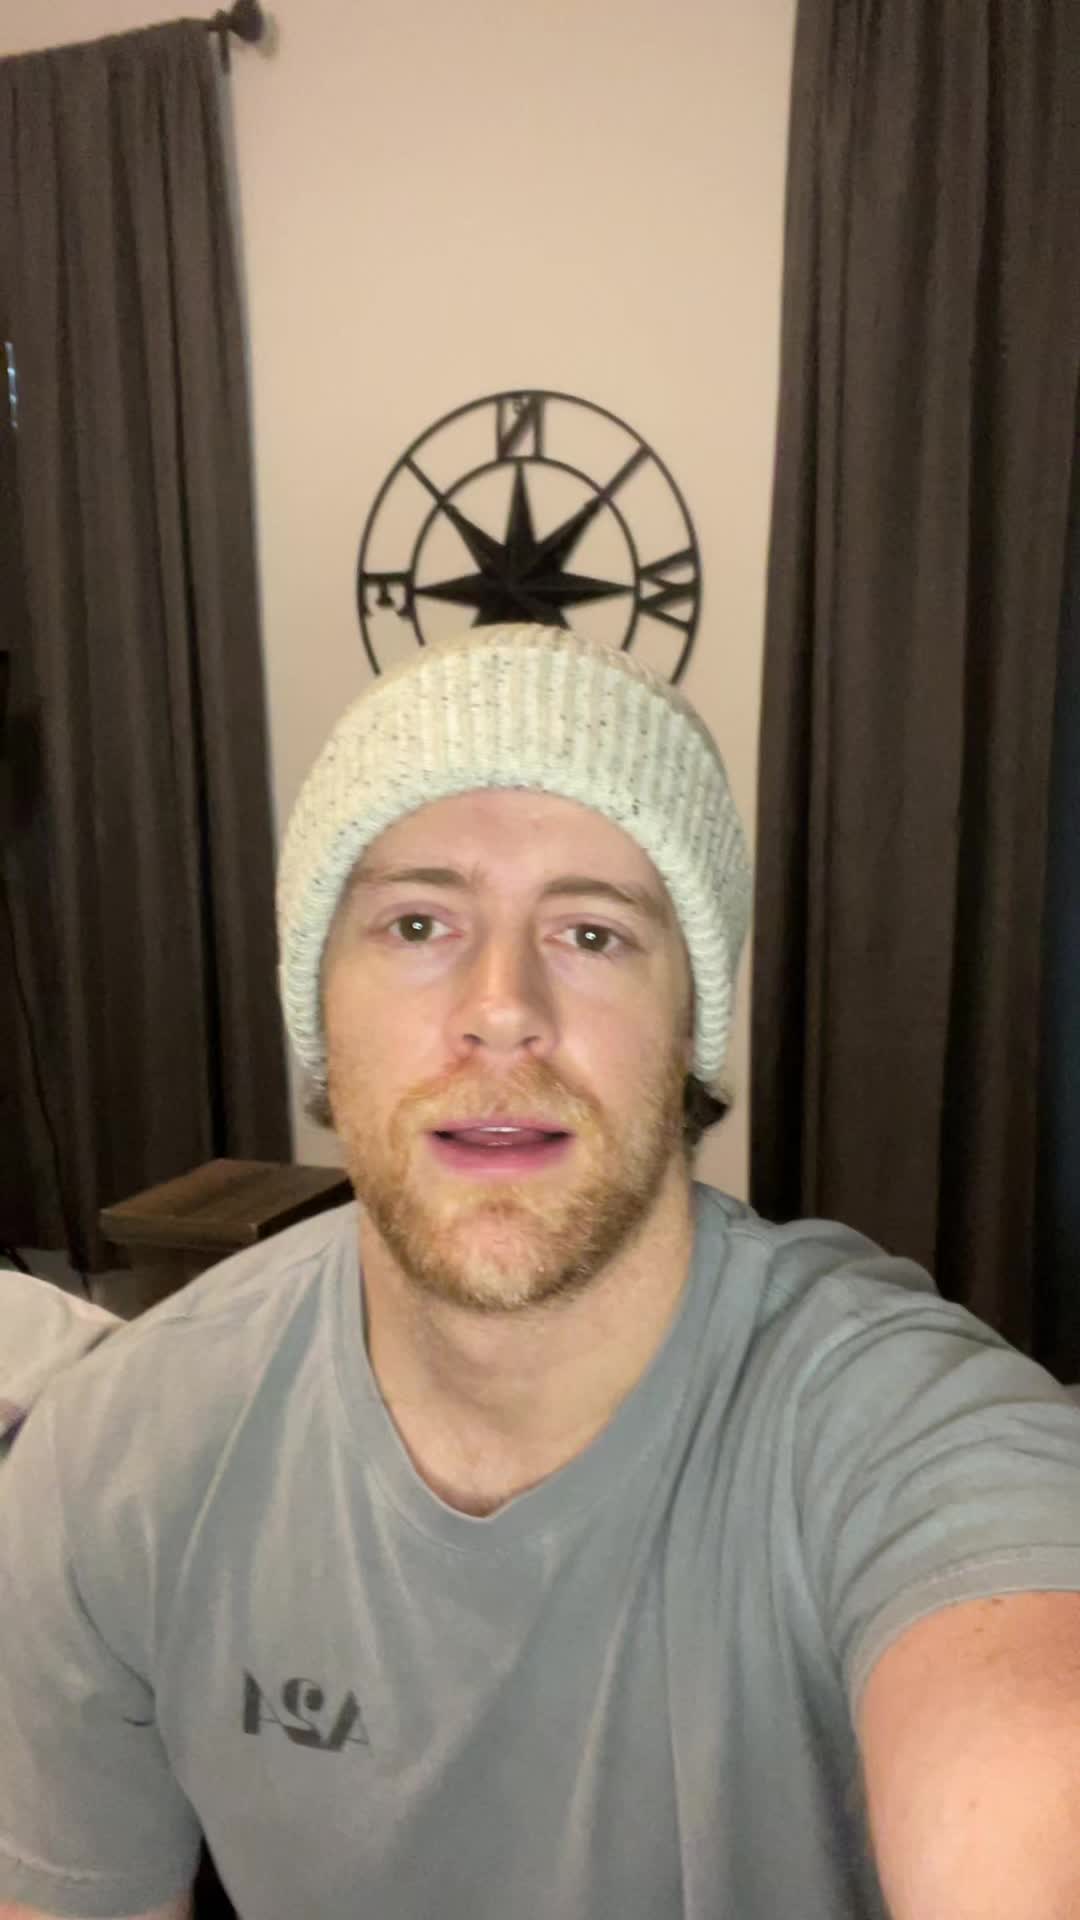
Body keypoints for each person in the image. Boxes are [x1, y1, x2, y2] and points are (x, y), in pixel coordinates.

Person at [2, 620, 1080, 1920]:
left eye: (593, 934)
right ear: (319, 1014)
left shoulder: (902, 1437)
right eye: (417, 923)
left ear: (689, 1028)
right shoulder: (110, 1466)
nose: (503, 1007)